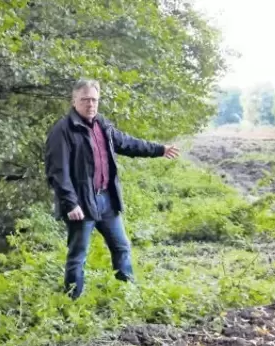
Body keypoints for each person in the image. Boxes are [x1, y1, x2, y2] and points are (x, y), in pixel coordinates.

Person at [44, 78, 180, 299]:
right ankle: (71, 301)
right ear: (74, 100)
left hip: (107, 200)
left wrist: (159, 149)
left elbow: (127, 143)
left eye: (94, 100)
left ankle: (127, 296)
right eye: (85, 99)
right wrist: (70, 203)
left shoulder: (102, 125)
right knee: (78, 256)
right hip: (82, 203)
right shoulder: (62, 130)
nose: (91, 104)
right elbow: (57, 172)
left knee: (122, 247)